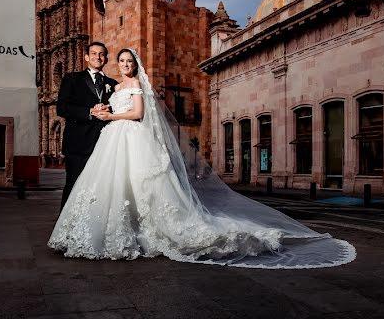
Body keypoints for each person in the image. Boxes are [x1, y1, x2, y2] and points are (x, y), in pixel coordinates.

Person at [49, 48, 356, 269]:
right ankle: (90, 228)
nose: (124, 64)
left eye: (128, 61)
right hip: (108, 139)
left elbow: (139, 113)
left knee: (139, 185)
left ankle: (143, 229)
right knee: (107, 186)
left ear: (134, 64)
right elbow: (81, 107)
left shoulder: (134, 86)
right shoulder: (111, 85)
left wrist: (112, 115)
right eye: (121, 61)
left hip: (126, 134)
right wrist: (100, 113)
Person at [56, 42, 118, 207]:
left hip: (104, 145)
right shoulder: (71, 79)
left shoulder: (113, 84)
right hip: (78, 143)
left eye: (101, 54)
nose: (98, 57)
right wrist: (89, 112)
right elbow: (62, 108)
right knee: (74, 184)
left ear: (106, 59)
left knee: (100, 187)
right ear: (86, 57)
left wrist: (108, 108)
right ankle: (66, 227)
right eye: (93, 53)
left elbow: (119, 108)